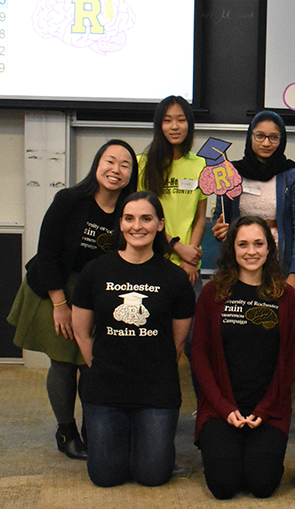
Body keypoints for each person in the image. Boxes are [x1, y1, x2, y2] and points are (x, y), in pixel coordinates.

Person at [8, 140, 139, 460]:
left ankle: (94, 427)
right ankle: (66, 430)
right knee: (64, 360)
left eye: (125, 165)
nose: (116, 170)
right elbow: (48, 252)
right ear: (97, 164)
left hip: (98, 291)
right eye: (110, 161)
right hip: (56, 286)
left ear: (132, 174)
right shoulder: (69, 200)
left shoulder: (130, 210)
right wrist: (59, 304)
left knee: (92, 361)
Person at [71, 191, 195, 487]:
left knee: (152, 476)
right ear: (121, 223)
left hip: (156, 390)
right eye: (129, 218)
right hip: (105, 388)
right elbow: (81, 330)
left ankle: (148, 440)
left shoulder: (175, 278)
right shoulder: (96, 270)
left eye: (146, 218)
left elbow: (177, 342)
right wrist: (99, 364)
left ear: (160, 225)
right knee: (105, 477)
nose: (137, 226)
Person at [192, 215, 295, 499]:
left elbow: (291, 361)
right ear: (232, 249)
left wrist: (264, 410)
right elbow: (200, 356)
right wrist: (223, 407)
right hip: (221, 407)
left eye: (258, 244)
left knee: (262, 486)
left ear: (269, 249)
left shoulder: (287, 297)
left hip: (269, 408)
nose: (251, 251)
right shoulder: (212, 293)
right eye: (243, 244)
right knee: (223, 486)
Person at [212, 111, 295, 294]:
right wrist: (219, 230)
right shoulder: (230, 174)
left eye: (273, 137)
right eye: (260, 136)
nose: (266, 143)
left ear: (282, 140)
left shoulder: (291, 177)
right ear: (250, 136)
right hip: (240, 261)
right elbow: (220, 217)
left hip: (279, 264)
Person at [138, 95, 208, 294]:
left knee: (189, 324)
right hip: (151, 261)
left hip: (189, 267)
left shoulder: (200, 164)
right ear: (159, 126)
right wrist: (177, 247)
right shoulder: (142, 164)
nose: (174, 126)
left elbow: (200, 217)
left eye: (181, 119)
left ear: (190, 124)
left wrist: (190, 257)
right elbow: (142, 218)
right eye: (167, 120)